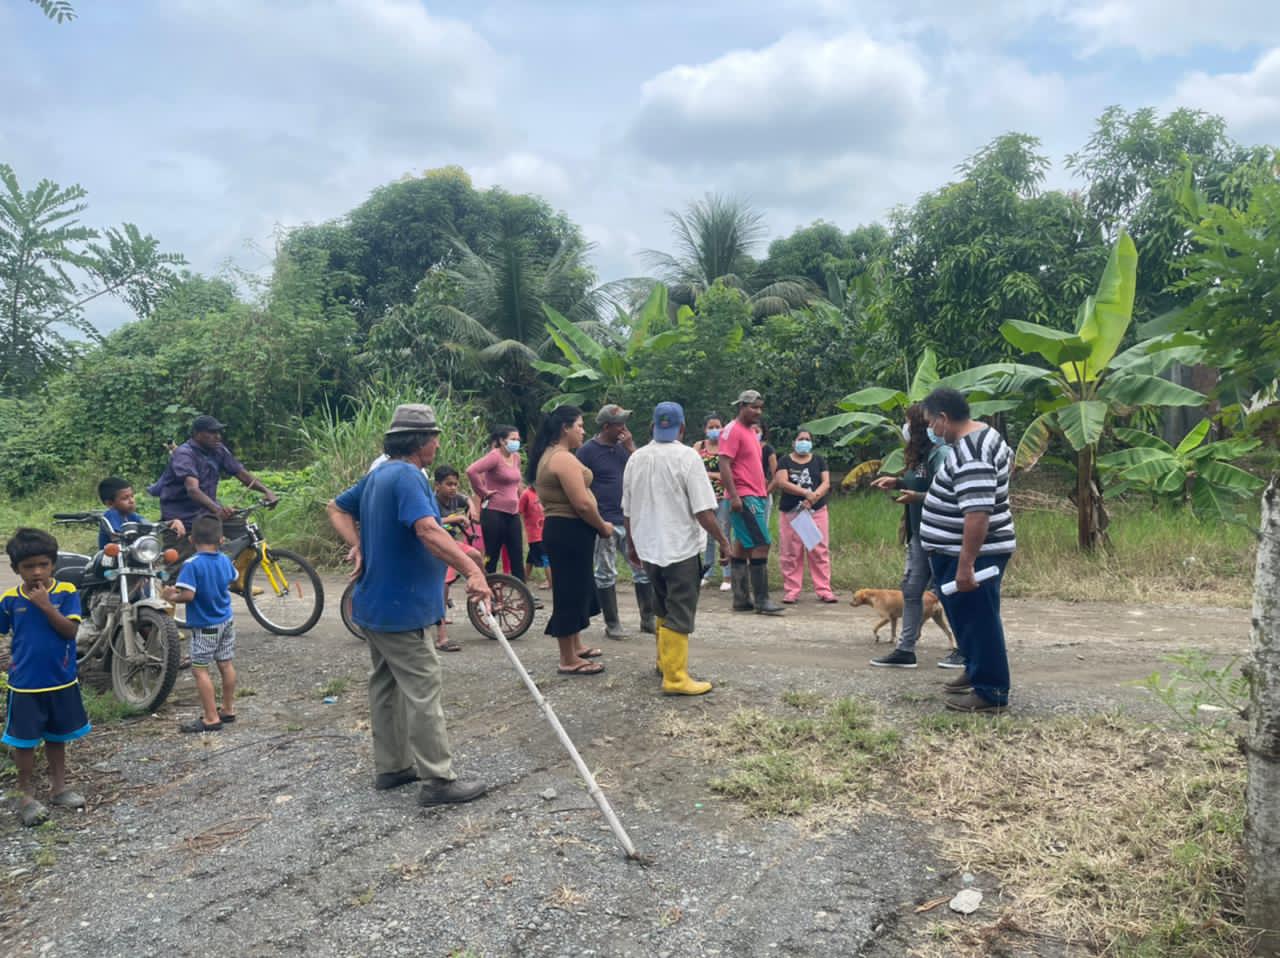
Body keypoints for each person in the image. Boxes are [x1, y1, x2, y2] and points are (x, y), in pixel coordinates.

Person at [327, 404, 493, 805]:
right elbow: (428, 530)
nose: (437, 444)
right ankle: (437, 780)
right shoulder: (406, 477)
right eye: (434, 437)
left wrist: (359, 544)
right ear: (419, 441)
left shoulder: (380, 474)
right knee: (423, 687)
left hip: (375, 605)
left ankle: (393, 767)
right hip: (401, 609)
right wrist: (472, 569)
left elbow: (336, 507)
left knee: (386, 685)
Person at [919, 387, 1016, 713]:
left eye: (931, 423)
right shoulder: (986, 434)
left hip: (972, 553)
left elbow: (977, 514)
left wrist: (966, 564)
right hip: (961, 549)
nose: (931, 430)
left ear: (944, 418)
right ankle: (977, 669)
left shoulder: (971, 454)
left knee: (978, 620)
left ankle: (991, 691)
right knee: (968, 617)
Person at [623, 403, 731, 695]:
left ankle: (664, 662)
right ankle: (675, 678)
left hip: (648, 548)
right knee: (680, 610)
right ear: (682, 427)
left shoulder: (636, 458)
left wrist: (632, 545)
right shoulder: (688, 457)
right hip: (679, 548)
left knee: (661, 605)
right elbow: (703, 510)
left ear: (653, 426)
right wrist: (723, 541)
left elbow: (627, 510)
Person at [1, 528, 90, 827]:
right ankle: (25, 795)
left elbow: (69, 631)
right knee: (23, 742)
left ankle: (59, 788)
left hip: (61, 680)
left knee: (57, 737)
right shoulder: (9, 599)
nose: (37, 572)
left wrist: (46, 605)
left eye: (43, 564)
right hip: (24, 684)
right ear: (16, 569)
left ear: (53, 564)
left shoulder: (66, 592)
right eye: (29, 566)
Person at [869, 406, 956, 669]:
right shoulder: (917, 457)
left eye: (907, 422)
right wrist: (897, 483)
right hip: (918, 534)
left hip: (940, 535)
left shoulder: (940, 454)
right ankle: (906, 649)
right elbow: (917, 482)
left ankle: (964, 648)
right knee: (911, 589)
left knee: (948, 592)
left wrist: (917, 497)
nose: (904, 427)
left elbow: (948, 492)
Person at [528, 405, 612, 676]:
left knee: (577, 587)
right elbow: (582, 504)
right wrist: (602, 527)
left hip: (568, 531)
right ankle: (567, 658)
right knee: (568, 591)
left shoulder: (554, 454)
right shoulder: (562, 458)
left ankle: (575, 646)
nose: (583, 431)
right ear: (565, 428)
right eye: (579, 425)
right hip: (568, 531)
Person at [576, 404, 654, 638]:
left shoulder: (625, 449)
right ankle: (612, 623)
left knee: (642, 569)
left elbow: (645, 471)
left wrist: (630, 447)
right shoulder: (587, 452)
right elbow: (580, 484)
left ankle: (648, 619)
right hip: (604, 520)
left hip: (630, 519)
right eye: (619, 424)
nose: (623, 428)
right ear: (606, 427)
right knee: (605, 571)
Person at [148, 415, 278, 543]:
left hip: (207, 513)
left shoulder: (218, 449)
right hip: (183, 517)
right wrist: (218, 510)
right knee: (188, 553)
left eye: (218, 432)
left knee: (244, 532)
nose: (218, 436)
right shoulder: (184, 454)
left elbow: (241, 474)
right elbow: (193, 489)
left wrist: (267, 491)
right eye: (212, 432)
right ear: (197, 434)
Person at [162, 516, 239, 733]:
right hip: (226, 621)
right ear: (221, 539)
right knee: (226, 664)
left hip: (206, 627)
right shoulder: (224, 560)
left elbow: (188, 595)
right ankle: (228, 708)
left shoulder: (191, 564)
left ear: (191, 539)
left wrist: (171, 596)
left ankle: (211, 718)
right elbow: (233, 578)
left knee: (200, 670)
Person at [718, 390, 783, 615]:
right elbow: (724, 463)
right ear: (742, 406)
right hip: (745, 495)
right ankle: (762, 600)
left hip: (756, 494)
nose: (758, 412)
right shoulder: (732, 431)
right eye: (753, 407)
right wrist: (734, 495)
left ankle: (741, 598)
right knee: (761, 542)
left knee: (743, 544)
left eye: (760, 407)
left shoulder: (749, 431)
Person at [773, 428, 837, 604]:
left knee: (819, 550)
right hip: (792, 512)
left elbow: (826, 482)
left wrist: (814, 497)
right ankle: (792, 590)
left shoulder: (819, 460)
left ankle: (824, 589)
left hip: (816, 511)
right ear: (793, 442)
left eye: (807, 439)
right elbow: (782, 482)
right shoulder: (785, 461)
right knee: (791, 552)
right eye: (801, 439)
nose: (804, 442)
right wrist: (804, 493)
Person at [432, 466, 484, 653]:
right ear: (437, 485)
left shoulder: (455, 498)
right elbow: (430, 522)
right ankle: (442, 637)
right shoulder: (431, 501)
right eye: (448, 484)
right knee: (444, 585)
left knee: (476, 556)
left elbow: (467, 498)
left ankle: (481, 588)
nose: (453, 488)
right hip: (436, 546)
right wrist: (454, 518)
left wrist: (472, 509)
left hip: (452, 543)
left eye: (455, 484)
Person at [466, 425, 525, 582]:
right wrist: (483, 492)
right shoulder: (495, 456)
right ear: (502, 440)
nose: (516, 442)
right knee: (492, 554)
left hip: (513, 512)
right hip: (494, 512)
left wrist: (522, 498)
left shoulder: (516, 457)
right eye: (513, 439)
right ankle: (487, 585)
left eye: (518, 439)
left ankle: (523, 590)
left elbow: (517, 482)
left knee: (517, 553)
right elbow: (471, 471)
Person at [692, 414, 732, 591]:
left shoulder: (727, 446)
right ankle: (707, 572)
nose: (715, 430)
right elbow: (692, 469)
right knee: (707, 534)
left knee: (723, 533)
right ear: (705, 429)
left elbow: (729, 474)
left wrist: (709, 474)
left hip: (723, 496)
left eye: (718, 426)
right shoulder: (698, 446)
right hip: (703, 497)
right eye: (711, 427)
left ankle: (727, 575)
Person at [96, 476, 185, 549]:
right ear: (110, 503)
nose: (131, 501)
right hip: (112, 559)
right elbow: (117, 535)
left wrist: (172, 522)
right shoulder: (111, 515)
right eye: (125, 498)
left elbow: (150, 525)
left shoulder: (133, 516)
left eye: (132, 496)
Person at [518, 484, 551, 590]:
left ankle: (550, 582)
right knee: (538, 558)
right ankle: (524, 581)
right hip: (535, 535)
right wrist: (523, 531)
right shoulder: (526, 494)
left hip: (544, 533)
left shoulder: (543, 492)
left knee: (540, 559)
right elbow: (519, 512)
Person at [751, 421, 779, 525]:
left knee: (762, 526)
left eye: (756, 431)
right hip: (746, 492)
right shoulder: (742, 447)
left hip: (763, 492)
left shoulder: (768, 449)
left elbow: (777, 475)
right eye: (751, 431)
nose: (753, 433)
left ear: (762, 432)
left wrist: (767, 492)